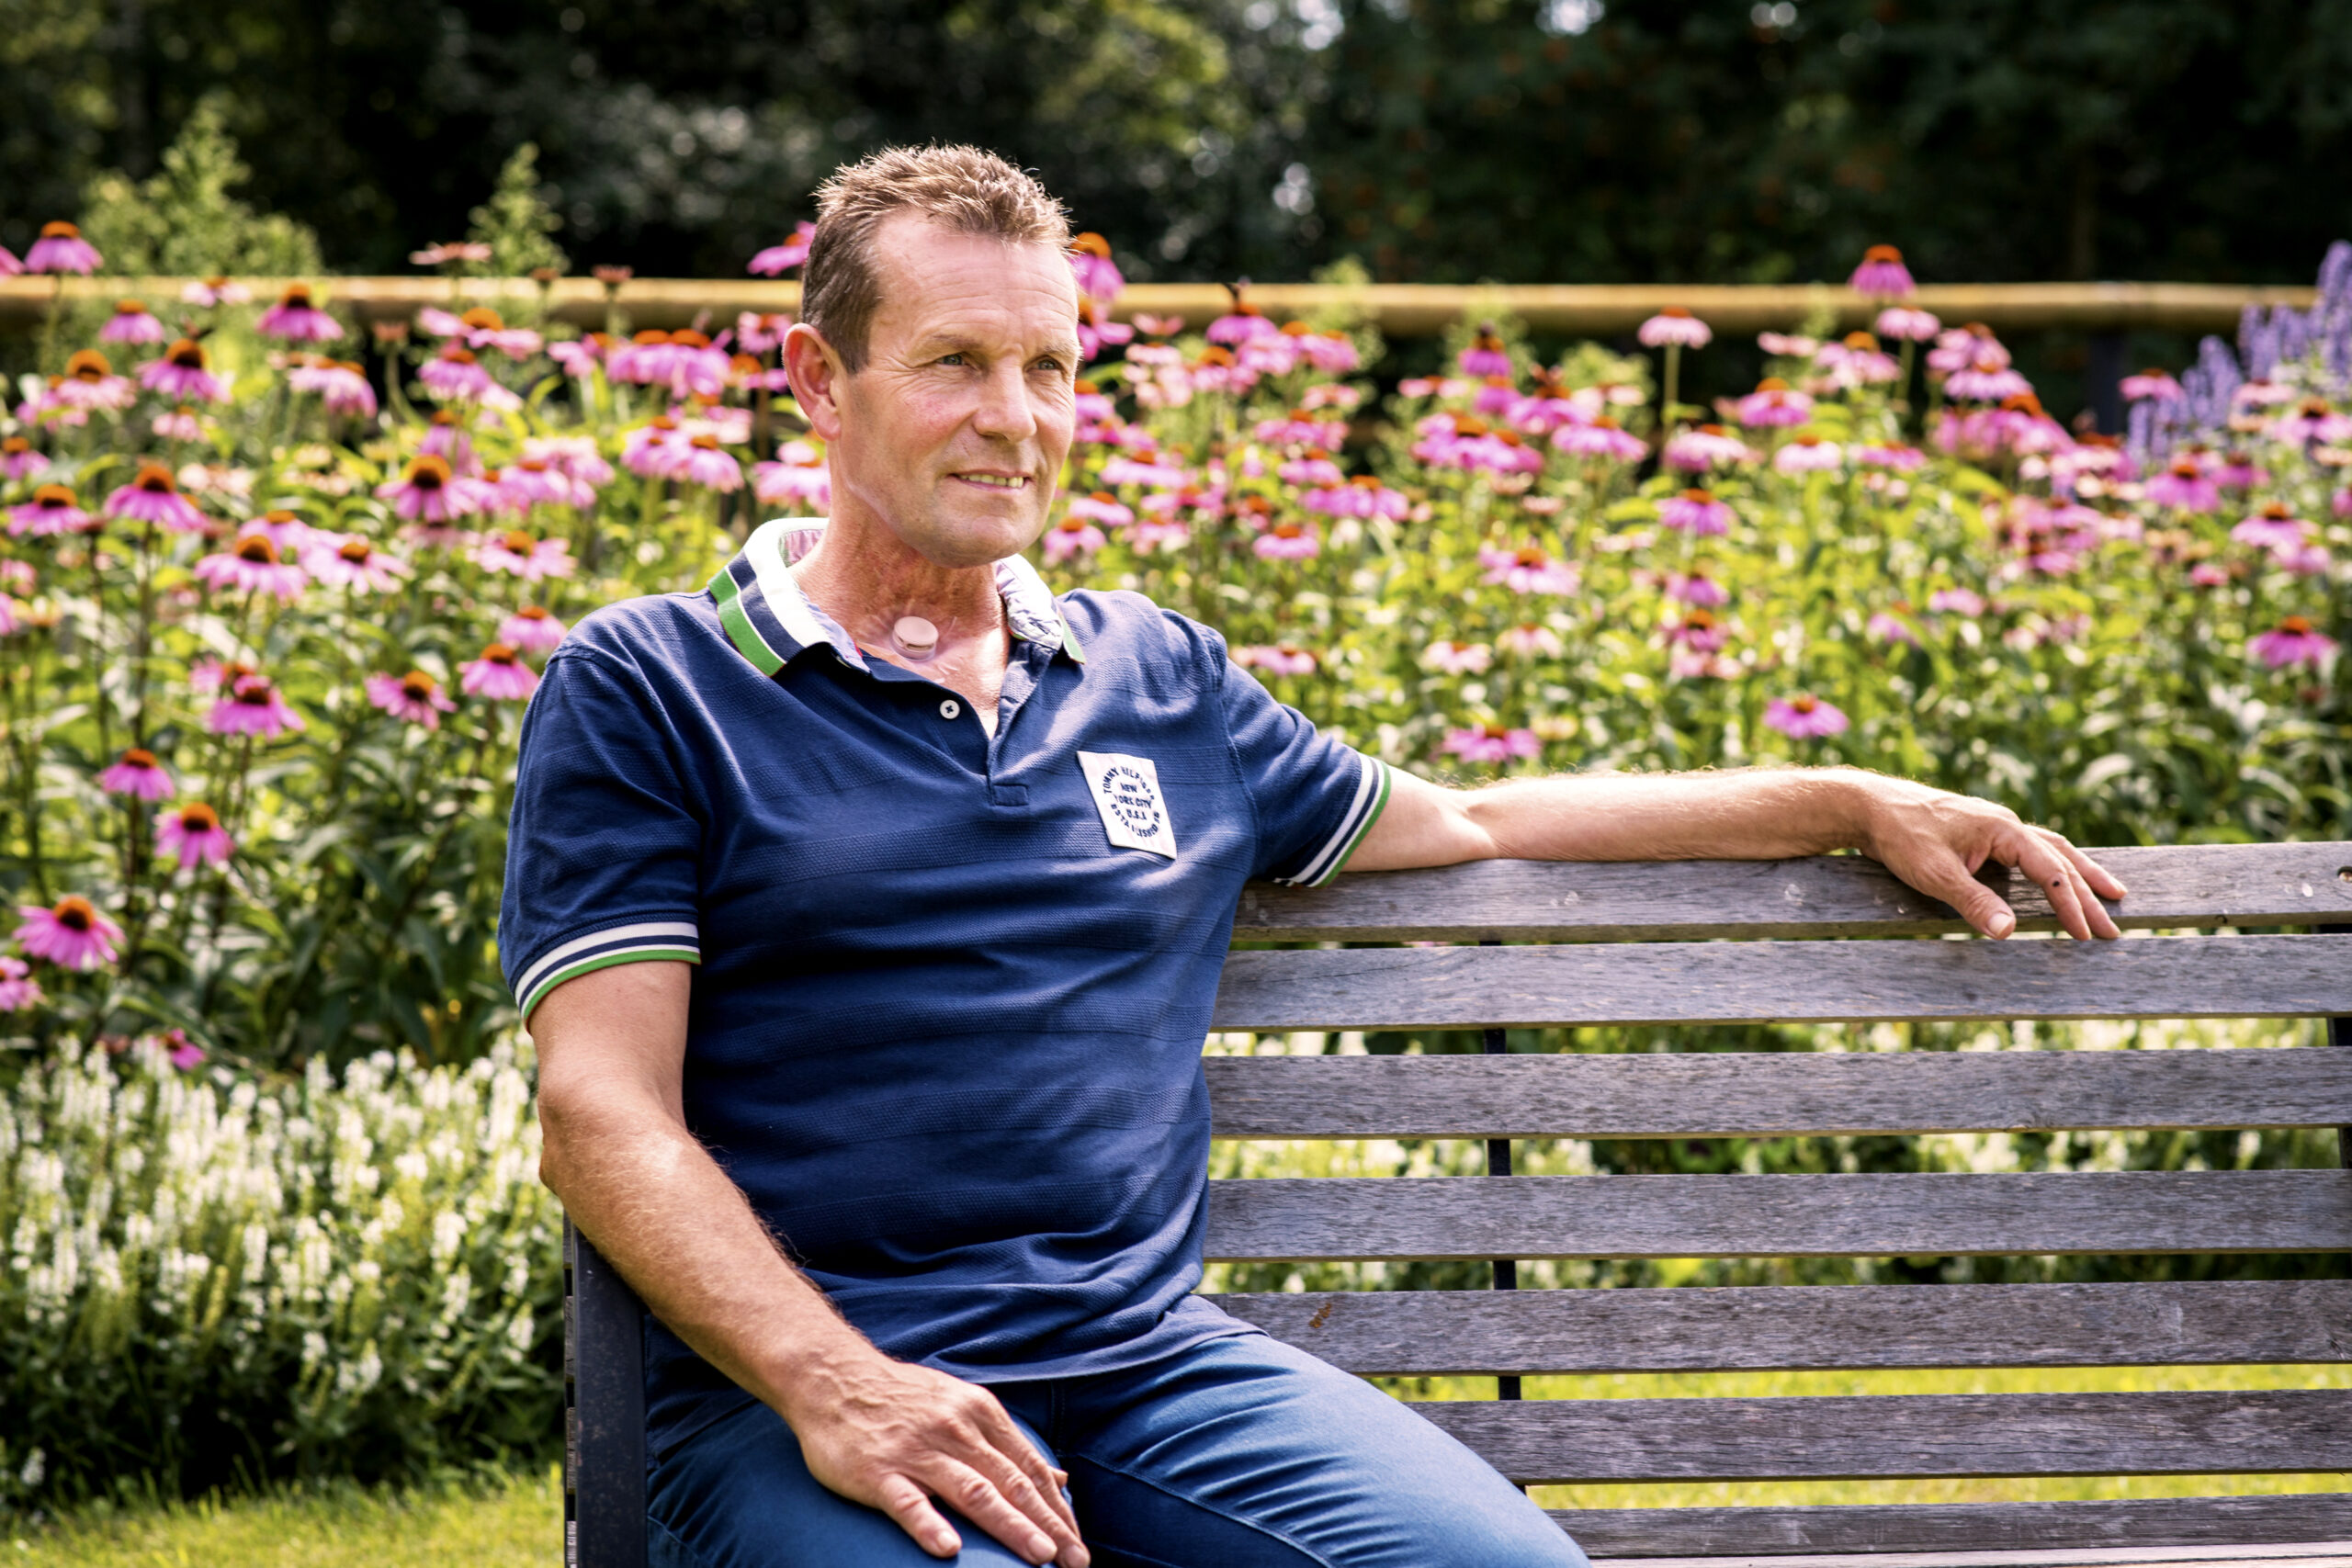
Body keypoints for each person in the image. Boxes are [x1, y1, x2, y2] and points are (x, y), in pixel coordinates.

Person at [506, 145, 2126, 1568]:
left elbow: (1478, 820)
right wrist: (834, 1385)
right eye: (952, 364)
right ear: (816, 380)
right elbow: (599, 1108)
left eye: (1050, 369)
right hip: (794, 1404)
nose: (1014, 419)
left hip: (1139, 1373)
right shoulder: (652, 685)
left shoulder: (1154, 680)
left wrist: (1839, 796)